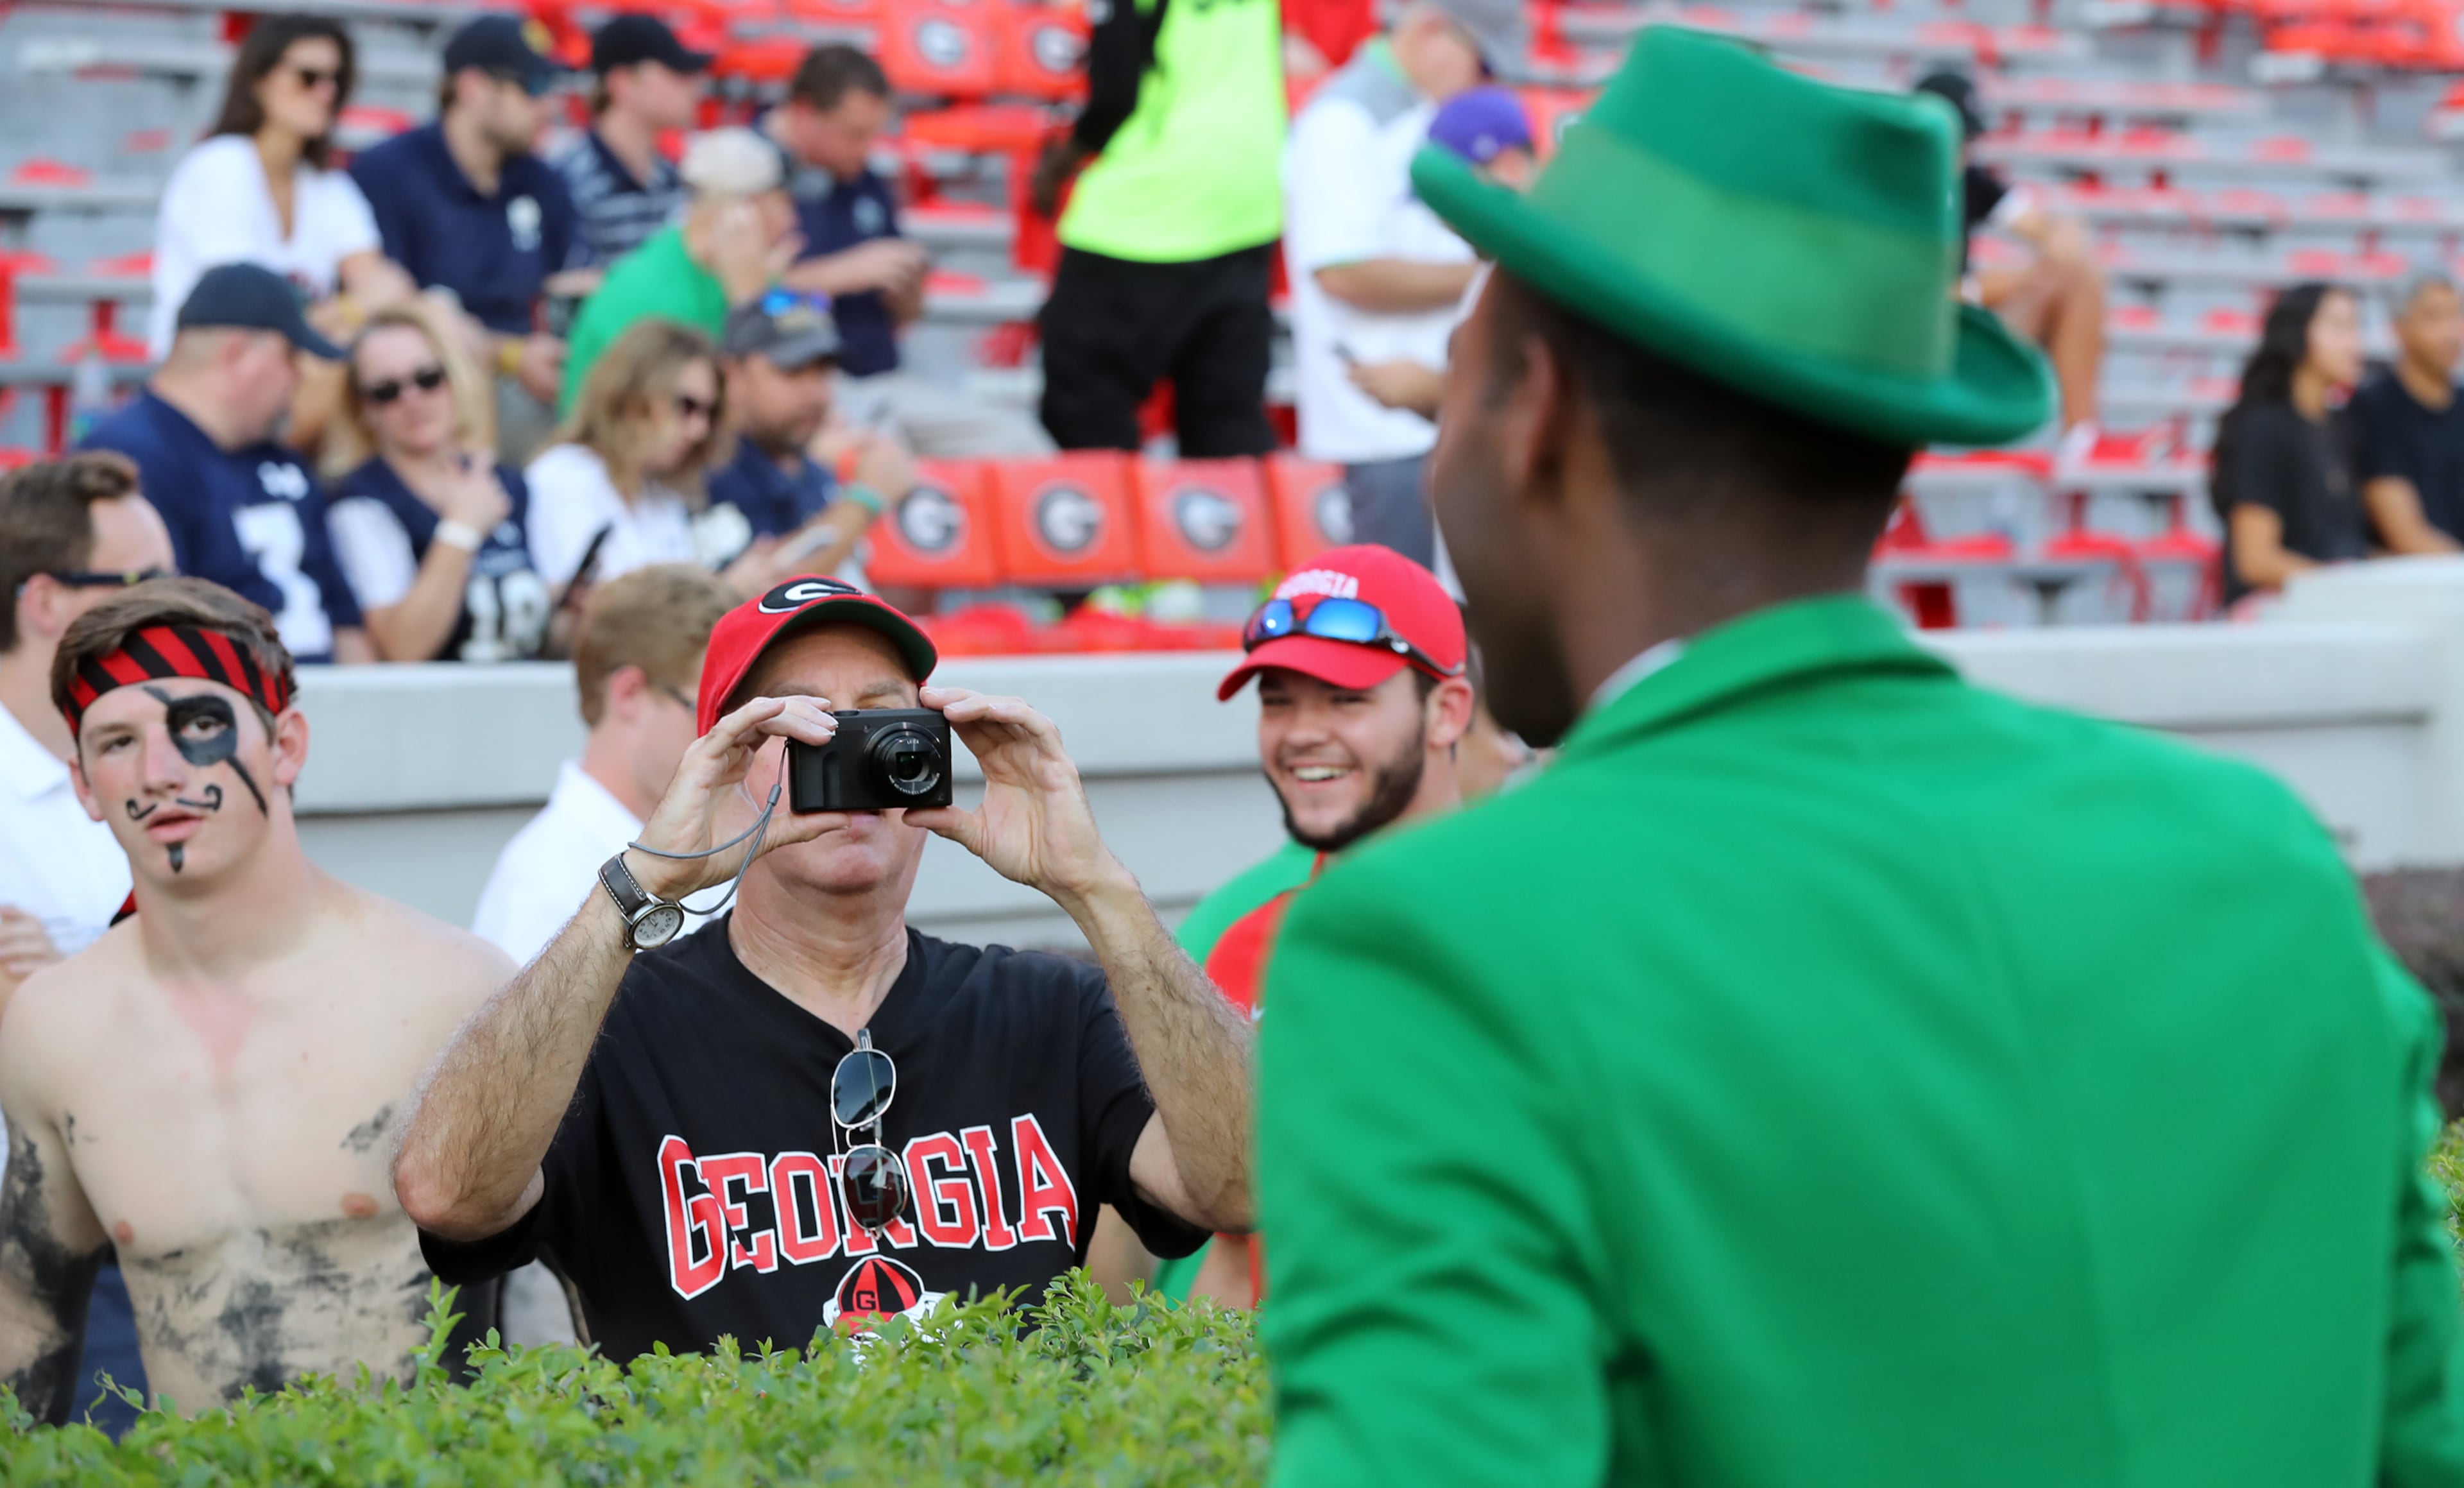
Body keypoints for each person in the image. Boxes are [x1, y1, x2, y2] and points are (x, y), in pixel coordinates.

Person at [1259, 29, 2464, 1487]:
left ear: (1541, 420)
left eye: (1448, 380)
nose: (1429, 444)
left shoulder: (1434, 945)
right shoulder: (2258, 856)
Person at [392, 577, 1252, 1359]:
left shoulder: (1049, 1007)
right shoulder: (611, 1025)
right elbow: (446, 1192)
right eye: (800, 724)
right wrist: (639, 882)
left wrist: (1098, 886)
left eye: (883, 720)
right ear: (723, 763)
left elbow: (1247, 1185)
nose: (849, 755)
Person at [0, 579, 511, 1423]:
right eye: (118, 740)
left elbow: (572, 1284)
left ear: (286, 744)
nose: (159, 772)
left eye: (199, 725)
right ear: (84, 783)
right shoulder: (58, 1028)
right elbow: (28, 1326)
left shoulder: (450, 986)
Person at [1154, 545, 1472, 1310]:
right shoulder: (1248, 944)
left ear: (1447, 711)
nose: (1302, 733)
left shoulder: (1547, 926)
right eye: (1279, 700)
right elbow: (1237, 1262)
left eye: (1345, 698)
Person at [0, 454, 175, 1434]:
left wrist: (51, 987)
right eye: (143, 583)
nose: (176, 611)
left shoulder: (152, 763)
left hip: (158, 1224)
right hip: (36, 1250)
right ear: (44, 600)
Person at [1281, 0, 1521, 563]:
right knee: (1405, 633)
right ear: (1435, 32)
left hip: (1430, 419)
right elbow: (1344, 271)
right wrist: (1498, 270)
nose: (1485, 83)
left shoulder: (1407, 115)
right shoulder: (1342, 121)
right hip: (1383, 430)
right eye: (1482, 63)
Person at [1027, 0, 1286, 460]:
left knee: (1084, 416)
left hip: (1145, 214)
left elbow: (1114, 95)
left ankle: (1112, 530)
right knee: (1226, 427)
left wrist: (1058, 165)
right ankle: (1214, 529)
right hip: (1245, 203)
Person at [766, 47, 1052, 458]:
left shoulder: (866, 181)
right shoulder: (755, 177)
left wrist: (905, 288)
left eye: (872, 134)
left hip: (885, 379)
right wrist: (840, 276)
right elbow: (747, 303)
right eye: (853, 133)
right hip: (806, 386)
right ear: (805, 112)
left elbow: (908, 316)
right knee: (888, 466)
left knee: (1025, 447)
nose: (864, 148)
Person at [81, 264, 372, 665]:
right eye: (290, 355)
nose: (298, 377)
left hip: (322, 707)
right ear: (237, 354)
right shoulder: (127, 458)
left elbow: (345, 621)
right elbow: (141, 640)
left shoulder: (282, 459)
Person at [472, 563, 737, 967]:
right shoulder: (543, 882)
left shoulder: (721, 842)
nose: (731, 738)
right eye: (711, 712)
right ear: (629, 694)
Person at [349, 15, 579, 462]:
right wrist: (510, 355)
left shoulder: (541, 180)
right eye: (533, 87)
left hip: (529, 377)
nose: (547, 106)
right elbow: (391, 313)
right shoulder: (389, 175)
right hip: (422, 385)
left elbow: (563, 283)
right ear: (473, 88)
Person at [148, 12, 414, 359]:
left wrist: (343, 314)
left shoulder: (328, 186)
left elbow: (387, 288)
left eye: (337, 80)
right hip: (211, 373)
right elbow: (242, 317)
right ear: (259, 80)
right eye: (309, 78)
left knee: (417, 334)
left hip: (284, 372)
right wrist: (349, 311)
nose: (326, 93)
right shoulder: (220, 166)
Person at [323, 300, 550, 663]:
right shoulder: (360, 504)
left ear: (453, 380)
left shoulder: (509, 485)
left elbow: (547, 635)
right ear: (363, 410)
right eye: (387, 391)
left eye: (428, 378)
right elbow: (402, 648)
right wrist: (460, 530)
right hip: (437, 715)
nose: (412, 399)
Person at [1915, 70, 2107, 444]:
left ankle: (2082, 435)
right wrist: (2029, 276)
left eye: (1969, 138)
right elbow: (1919, 296)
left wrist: (2064, 234)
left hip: (1959, 328)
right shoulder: (1896, 188)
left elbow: (2044, 226)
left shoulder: (1968, 180)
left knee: (2081, 274)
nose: (1967, 148)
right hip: (1918, 341)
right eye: (1959, 137)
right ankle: (2076, 432)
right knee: (2066, 274)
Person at [559, 128, 801, 414]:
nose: (791, 221)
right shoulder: (651, 293)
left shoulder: (743, 269)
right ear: (743, 210)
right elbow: (709, 417)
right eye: (782, 203)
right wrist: (747, 301)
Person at [527, 319, 768, 597]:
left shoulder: (660, 494)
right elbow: (588, 623)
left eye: (709, 413)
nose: (699, 431)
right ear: (634, 395)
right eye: (685, 405)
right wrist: (725, 590)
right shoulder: (565, 476)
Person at [1342, 86, 1536, 427]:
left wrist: (1438, 390)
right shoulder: (1500, 267)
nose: (1444, 221)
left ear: (1509, 168)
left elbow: (1558, 420)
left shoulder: (1559, 275)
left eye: (1451, 199)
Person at [705, 297, 911, 581]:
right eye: (793, 371)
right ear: (732, 374)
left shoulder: (813, 467)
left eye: (824, 372)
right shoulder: (710, 466)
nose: (815, 394)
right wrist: (865, 497)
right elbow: (764, 596)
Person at [2211, 283, 2370, 606]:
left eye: (2356, 328)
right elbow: (2255, 560)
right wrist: (2348, 591)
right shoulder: (2264, 427)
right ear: (2297, 332)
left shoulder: (2341, 425)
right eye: (2339, 327)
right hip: (2280, 611)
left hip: (2334, 606)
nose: (2355, 343)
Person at [552, 15, 711, 273]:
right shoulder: (569, 180)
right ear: (623, 82)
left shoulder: (673, 179)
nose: (695, 86)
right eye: (675, 72)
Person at [2352, 273, 2464, 553]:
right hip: (2409, 585)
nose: (2451, 332)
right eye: (2433, 317)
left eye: (2457, 315)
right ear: (2399, 328)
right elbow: (2405, 535)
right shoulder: (2375, 407)